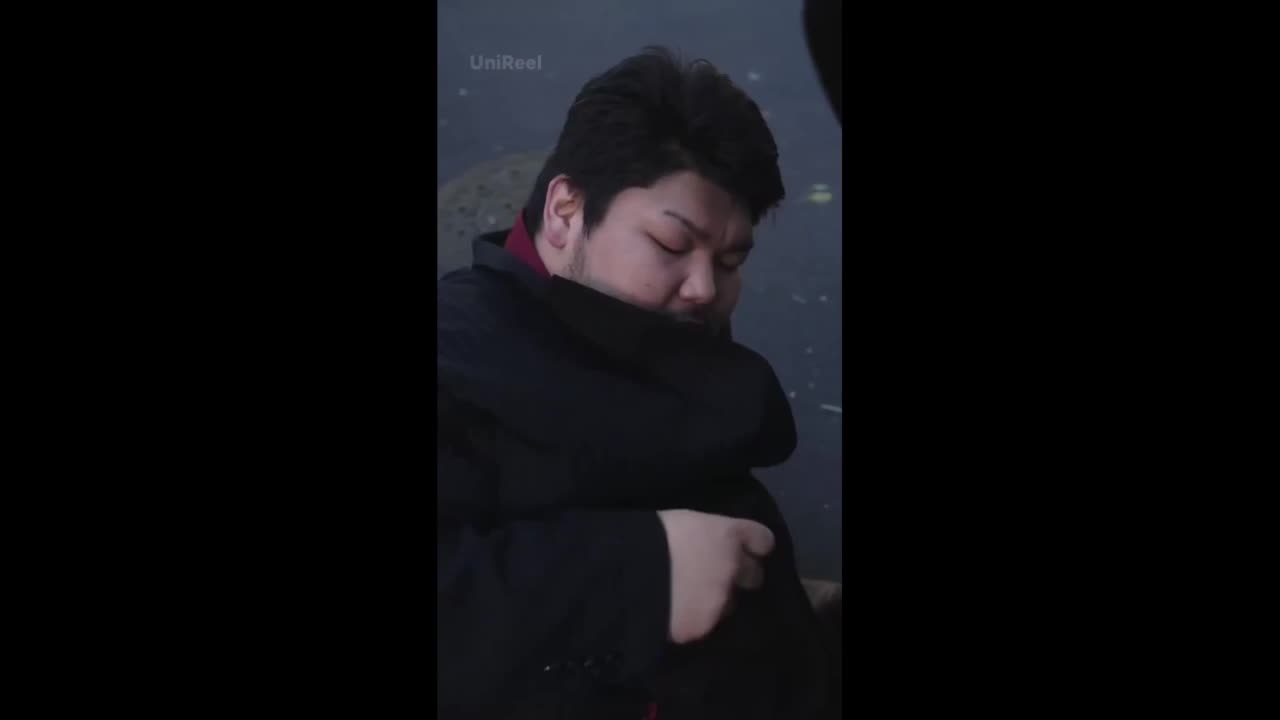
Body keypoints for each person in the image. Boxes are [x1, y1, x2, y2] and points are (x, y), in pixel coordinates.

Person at [437, 47, 838, 719]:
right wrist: (642, 576)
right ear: (565, 211)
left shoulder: (640, 320)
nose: (705, 288)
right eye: (672, 245)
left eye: (730, 260)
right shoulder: (458, 361)